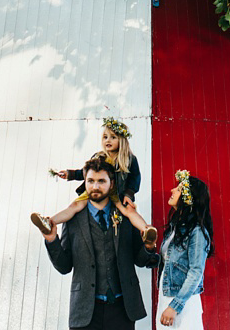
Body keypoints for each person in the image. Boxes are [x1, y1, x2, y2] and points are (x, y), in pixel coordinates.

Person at [42, 155, 159, 330]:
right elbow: (64, 266)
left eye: (101, 181)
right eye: (90, 181)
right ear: (85, 183)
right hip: (85, 311)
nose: (95, 186)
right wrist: (52, 239)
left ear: (111, 184)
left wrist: (149, 247)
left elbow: (140, 260)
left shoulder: (126, 216)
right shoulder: (72, 219)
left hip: (123, 309)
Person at [31, 118, 157, 246]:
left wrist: (129, 194)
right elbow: (86, 172)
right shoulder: (99, 157)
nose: (108, 140)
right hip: (97, 189)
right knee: (75, 206)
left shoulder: (128, 159)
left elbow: (135, 178)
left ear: (122, 140)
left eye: (113, 137)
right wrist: (71, 174)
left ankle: (146, 230)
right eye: (105, 137)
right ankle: (49, 222)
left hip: (116, 192)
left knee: (129, 210)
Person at [157, 170, 214, 329]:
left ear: (188, 198)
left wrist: (175, 306)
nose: (172, 191)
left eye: (179, 189)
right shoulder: (174, 229)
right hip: (166, 298)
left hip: (183, 304)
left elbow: (196, 271)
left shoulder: (196, 232)